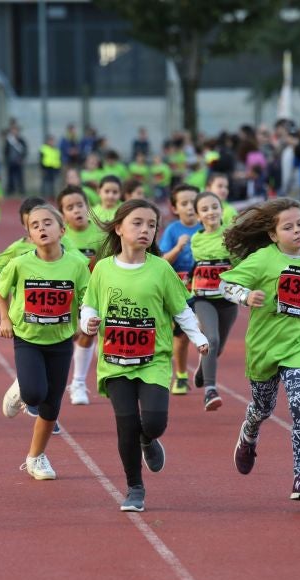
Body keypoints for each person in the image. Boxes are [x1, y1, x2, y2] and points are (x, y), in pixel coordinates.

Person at [81, 199, 208, 512]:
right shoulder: (103, 269)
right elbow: (89, 305)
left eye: (151, 225)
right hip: (115, 362)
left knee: (153, 423)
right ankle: (134, 487)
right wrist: (88, 321)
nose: (145, 230)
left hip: (152, 360)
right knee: (125, 423)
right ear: (119, 228)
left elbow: (181, 310)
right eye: (137, 223)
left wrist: (198, 337)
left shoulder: (161, 269)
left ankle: (148, 440)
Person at [220, 198, 300, 502]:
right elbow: (226, 285)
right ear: (273, 235)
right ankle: (249, 431)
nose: (298, 230)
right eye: (288, 226)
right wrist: (245, 295)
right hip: (265, 346)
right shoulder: (262, 259)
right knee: (263, 407)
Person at [0, 204, 90, 479]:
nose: (41, 228)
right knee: (35, 395)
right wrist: (4, 319)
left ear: (62, 230)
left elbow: (87, 298)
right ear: (29, 235)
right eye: (34, 225)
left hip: (61, 339)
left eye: (47, 223)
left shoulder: (76, 264)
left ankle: (36, 457)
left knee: (51, 406)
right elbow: (1, 291)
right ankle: (21, 389)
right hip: (28, 337)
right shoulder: (20, 263)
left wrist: (85, 321)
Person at [55, 185, 105, 405]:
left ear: (88, 206)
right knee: (60, 341)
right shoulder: (59, 236)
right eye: (69, 207)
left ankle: (78, 383)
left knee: (87, 331)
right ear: (62, 214)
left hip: (92, 294)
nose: (76, 210)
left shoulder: (101, 234)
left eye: (79, 205)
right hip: (64, 295)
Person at [189, 191, 238, 410]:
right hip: (203, 298)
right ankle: (210, 390)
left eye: (214, 207)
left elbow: (240, 263)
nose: (211, 212)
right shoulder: (196, 239)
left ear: (222, 209)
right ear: (198, 216)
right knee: (212, 339)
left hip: (228, 299)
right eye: (205, 209)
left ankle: (202, 370)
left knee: (217, 348)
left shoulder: (231, 236)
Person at [158, 184, 201, 395]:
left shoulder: (207, 227)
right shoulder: (173, 230)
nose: (190, 207)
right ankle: (182, 375)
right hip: (179, 288)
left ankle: (205, 368)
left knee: (209, 332)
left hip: (204, 287)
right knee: (181, 336)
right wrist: (178, 247)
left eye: (193, 202)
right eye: (184, 203)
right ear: (175, 208)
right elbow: (163, 261)